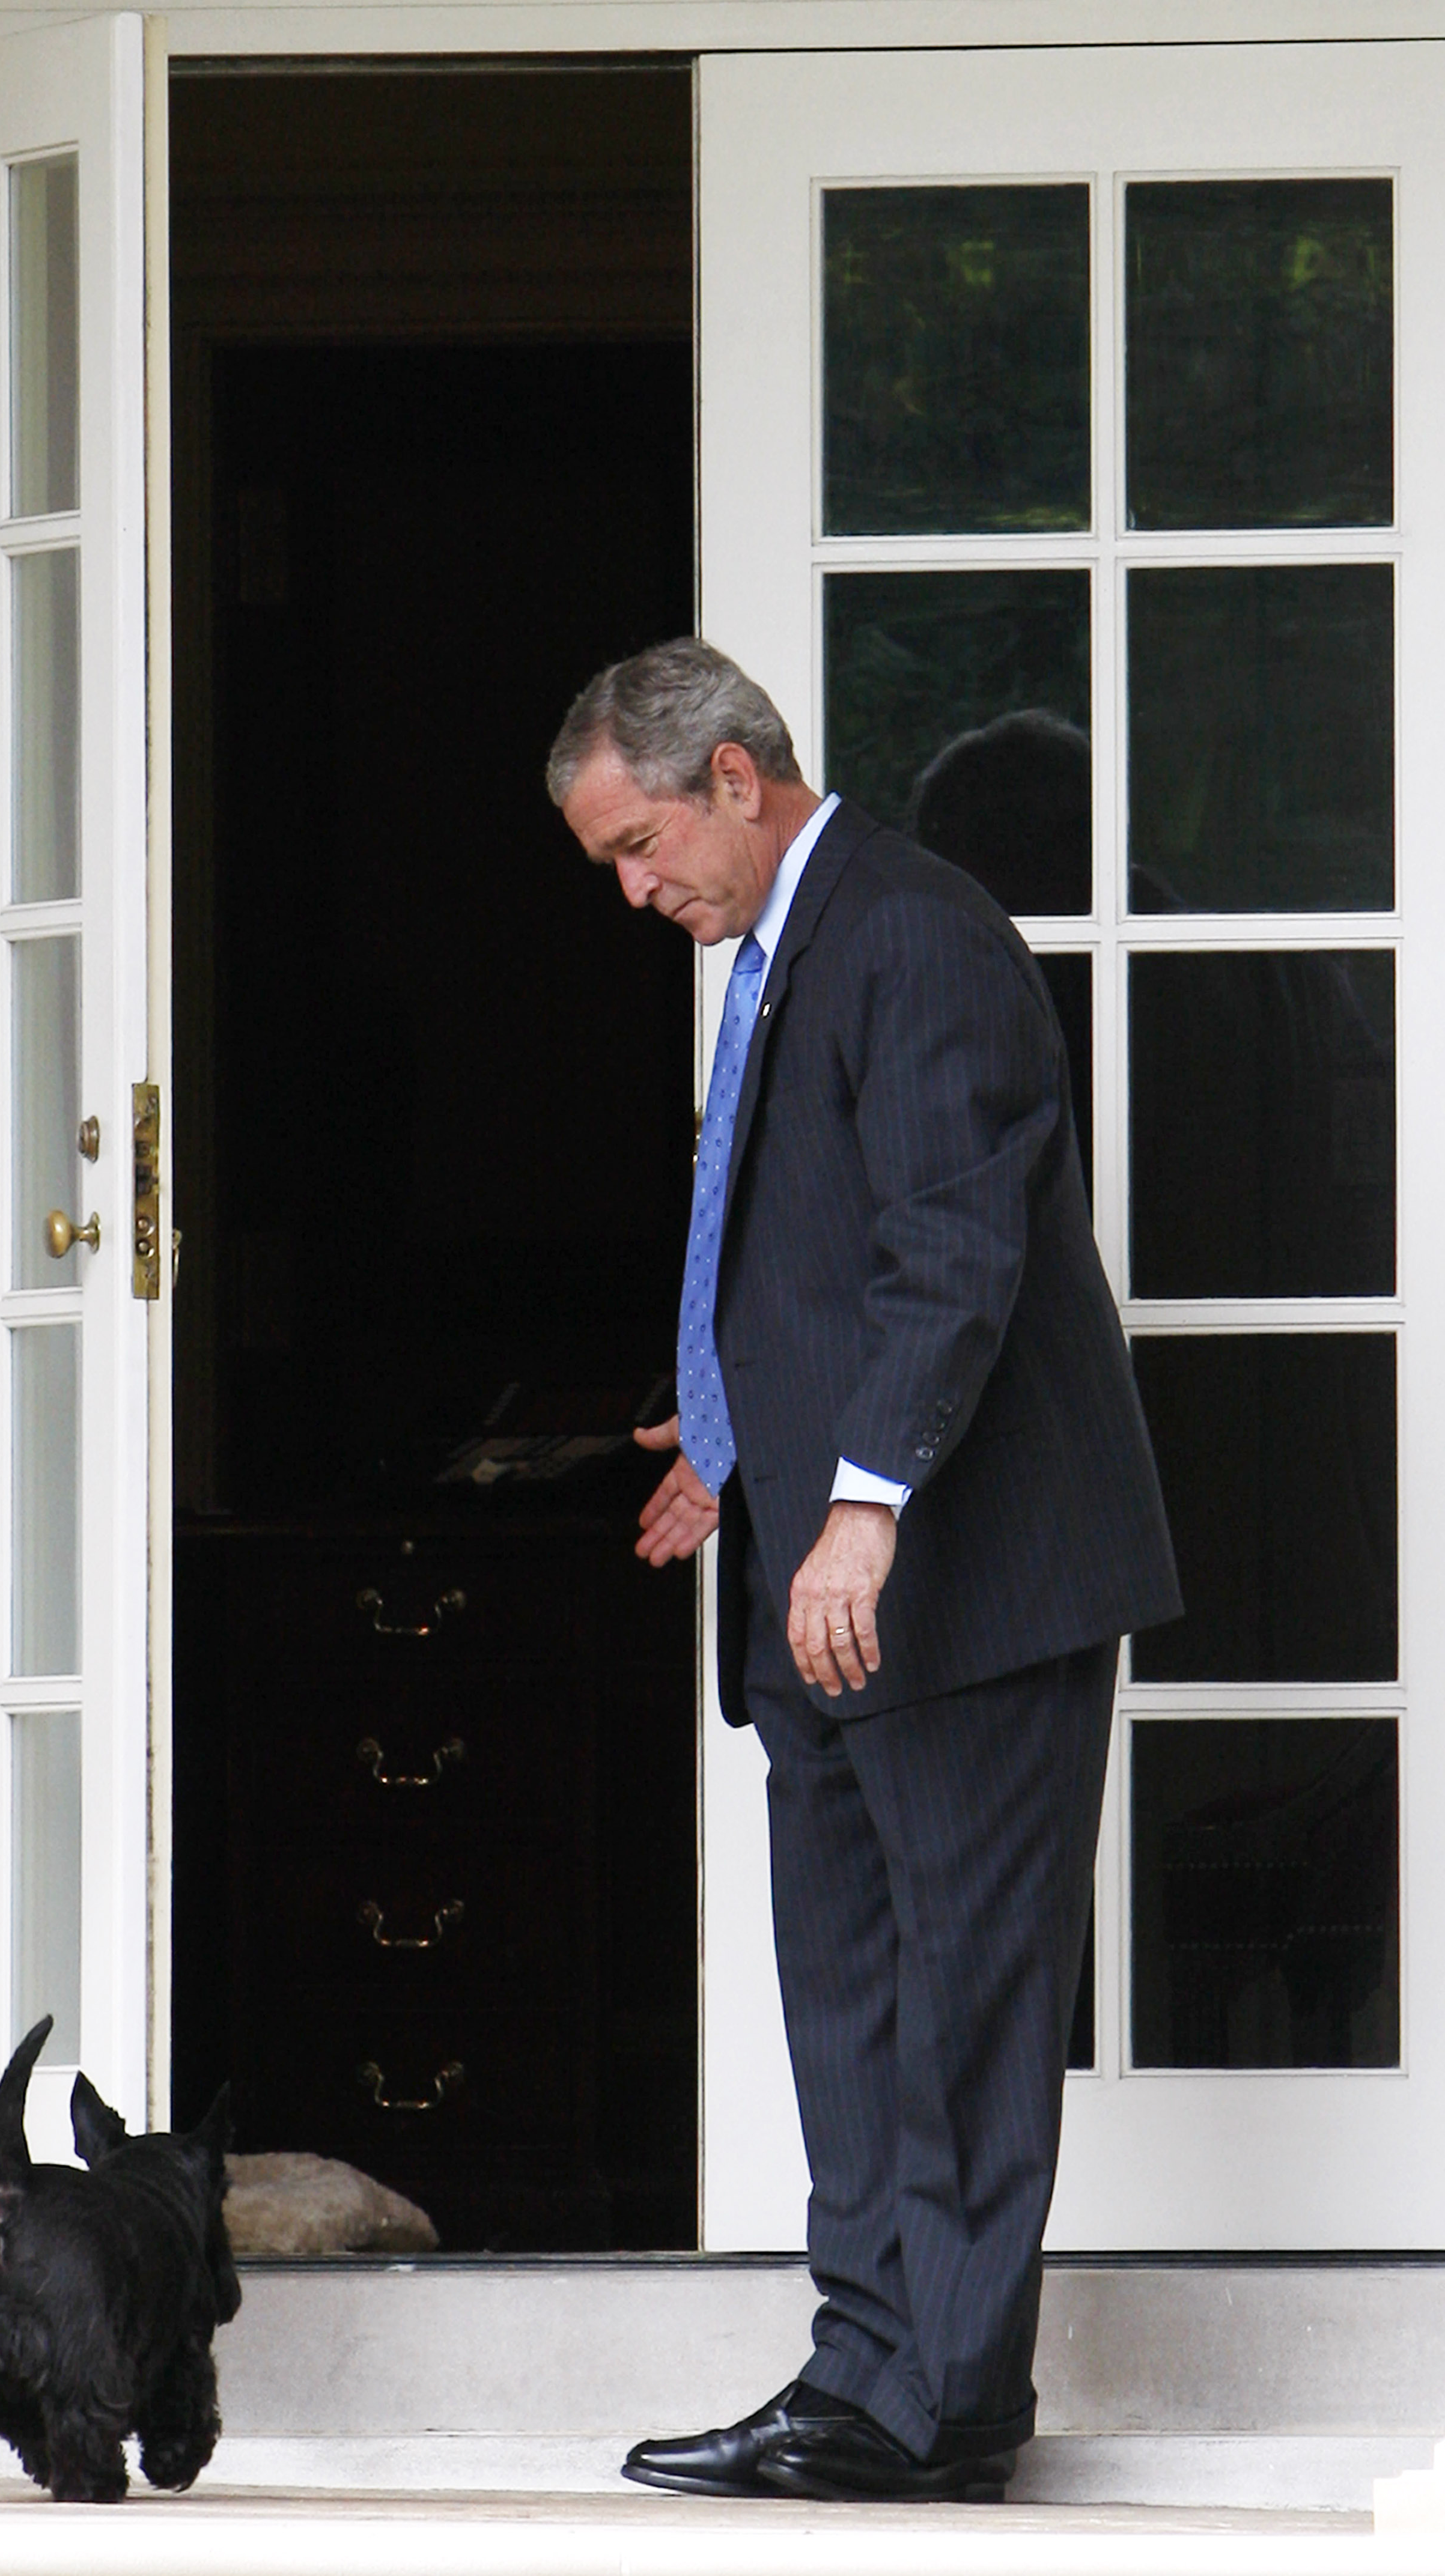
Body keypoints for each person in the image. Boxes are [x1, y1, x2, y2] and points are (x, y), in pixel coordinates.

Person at [547, 639, 1181, 2505]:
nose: (632, 894)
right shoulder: (784, 952)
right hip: (824, 1579)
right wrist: (732, 1442)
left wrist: (867, 1497)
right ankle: (866, 2370)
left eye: (640, 847)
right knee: (849, 1996)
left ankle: (946, 2409)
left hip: (963, 1580)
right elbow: (812, 1252)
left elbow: (953, 1246)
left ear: (736, 779)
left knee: (964, 1999)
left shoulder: (912, 935)